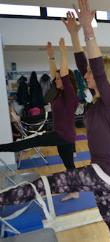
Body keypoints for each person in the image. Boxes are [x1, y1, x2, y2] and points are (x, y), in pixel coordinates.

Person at [1, 0, 110, 241]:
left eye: (91, 73)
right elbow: (83, 65)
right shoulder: (94, 102)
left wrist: (89, 31)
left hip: (103, 172)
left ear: (105, 79)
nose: (87, 74)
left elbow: (97, 69)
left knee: (44, 184)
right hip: (108, 173)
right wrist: (74, 35)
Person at [0, 39, 79, 201]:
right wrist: (51, 57)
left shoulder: (70, 96)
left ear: (67, 82)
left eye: (58, 79)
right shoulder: (58, 94)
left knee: (30, 141)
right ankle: (75, 191)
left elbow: (62, 74)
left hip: (62, 135)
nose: (55, 80)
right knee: (69, 165)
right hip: (64, 136)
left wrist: (63, 52)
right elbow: (55, 74)